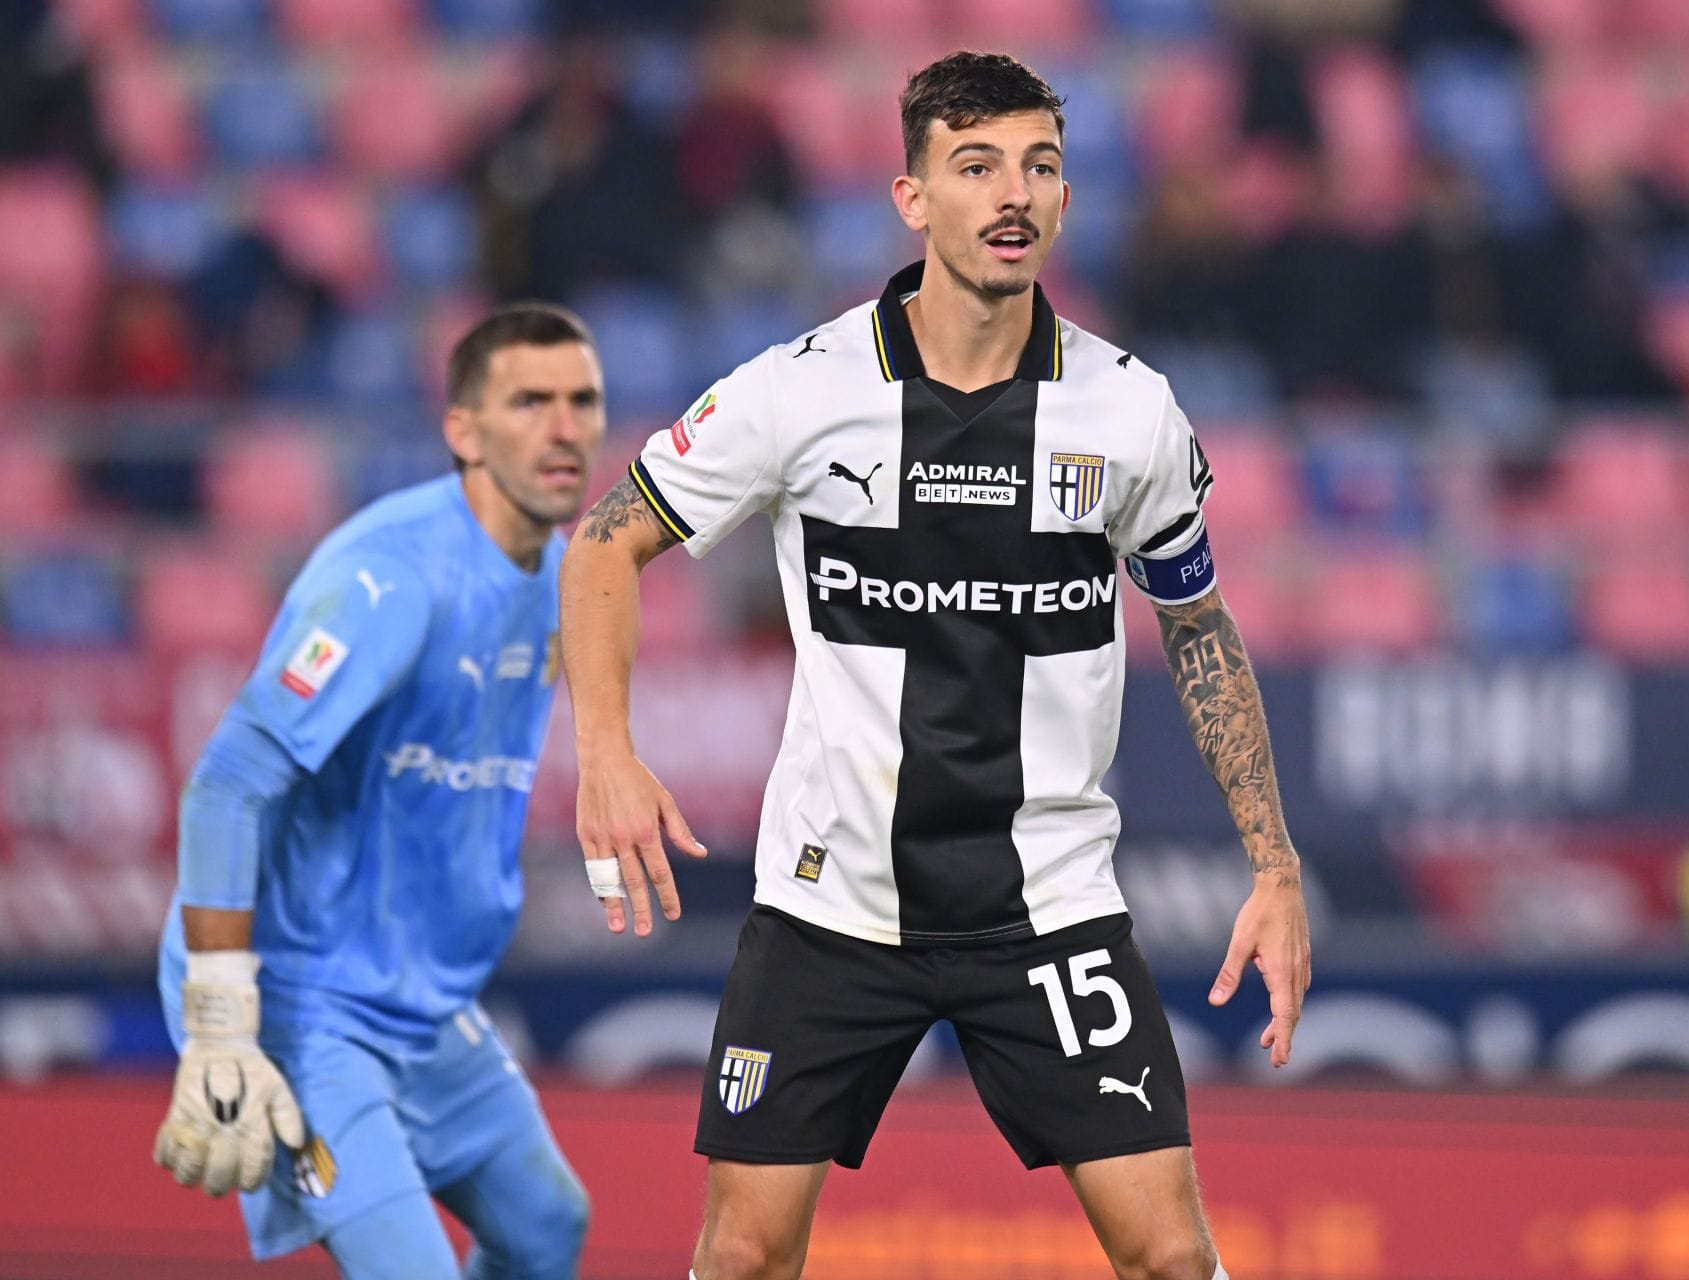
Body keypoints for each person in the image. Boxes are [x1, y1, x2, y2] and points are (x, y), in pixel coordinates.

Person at [562, 51, 1312, 1280]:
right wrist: (604, 750)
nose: (1012, 194)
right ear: (913, 198)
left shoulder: (1131, 415)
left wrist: (1275, 865)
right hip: (831, 901)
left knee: (1173, 1256)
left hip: (1048, 904)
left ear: (1067, 199)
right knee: (743, 1255)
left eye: (1040, 166)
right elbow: (605, 541)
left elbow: (1199, 625)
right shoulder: (802, 391)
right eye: (976, 167)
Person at [152, 304, 606, 1279]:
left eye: (582, 400)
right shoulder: (393, 580)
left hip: (423, 1003)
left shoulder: (563, 576)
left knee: (546, 1226)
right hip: (302, 997)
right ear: (463, 431)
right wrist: (221, 1020)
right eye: (529, 401)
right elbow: (226, 785)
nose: (564, 427)